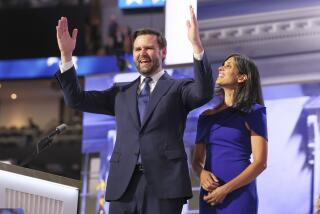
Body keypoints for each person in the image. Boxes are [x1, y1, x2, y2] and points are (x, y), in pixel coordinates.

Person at [55, 6, 213, 214]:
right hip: (124, 187)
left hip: (164, 186)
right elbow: (76, 100)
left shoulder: (178, 88)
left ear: (163, 52)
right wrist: (66, 57)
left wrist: (196, 46)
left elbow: (203, 92)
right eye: (137, 49)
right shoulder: (120, 93)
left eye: (148, 48)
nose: (142, 54)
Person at [192, 54, 268, 214]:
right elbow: (197, 161)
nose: (220, 68)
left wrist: (225, 189)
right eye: (222, 64)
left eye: (228, 66)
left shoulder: (254, 112)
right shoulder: (206, 117)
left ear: (241, 77)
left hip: (239, 195)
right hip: (210, 195)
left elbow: (260, 163)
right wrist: (202, 173)